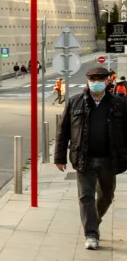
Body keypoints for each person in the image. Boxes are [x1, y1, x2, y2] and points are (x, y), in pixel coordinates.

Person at [54, 65, 127, 250]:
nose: (96, 83)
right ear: (87, 81)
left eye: (100, 80)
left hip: (109, 159)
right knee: (85, 197)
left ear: (107, 82)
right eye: (93, 80)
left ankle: (94, 220)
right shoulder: (75, 102)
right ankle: (91, 234)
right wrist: (59, 157)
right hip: (83, 158)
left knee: (107, 196)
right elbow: (63, 132)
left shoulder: (119, 104)